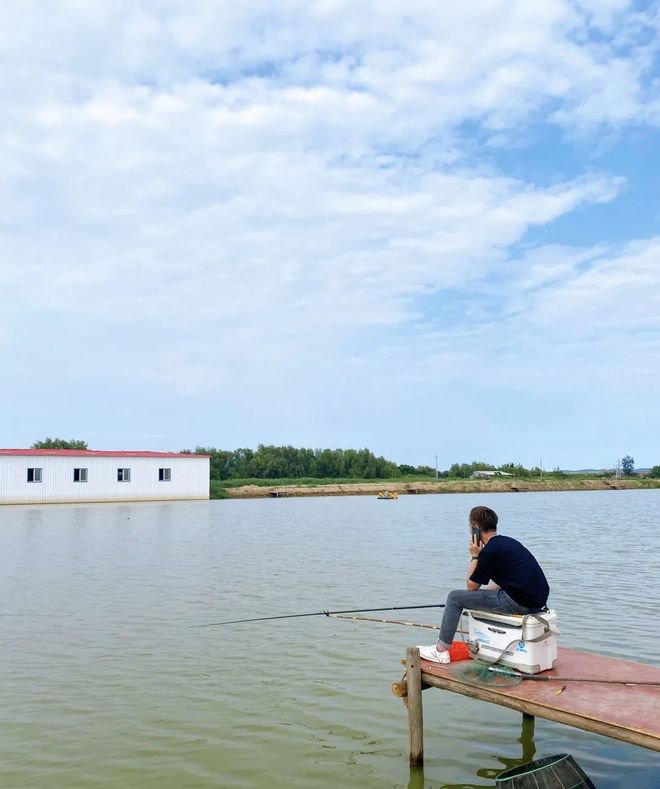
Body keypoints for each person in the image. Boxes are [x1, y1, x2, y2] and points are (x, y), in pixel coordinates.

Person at [418, 505, 550, 663]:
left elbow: (471, 587)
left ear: (475, 528)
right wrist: (486, 597)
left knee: (454, 598)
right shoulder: (508, 543)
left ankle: (441, 650)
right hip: (537, 602)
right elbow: (503, 580)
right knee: (488, 592)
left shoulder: (490, 551)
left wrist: (475, 556)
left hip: (519, 604)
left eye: (470, 527)